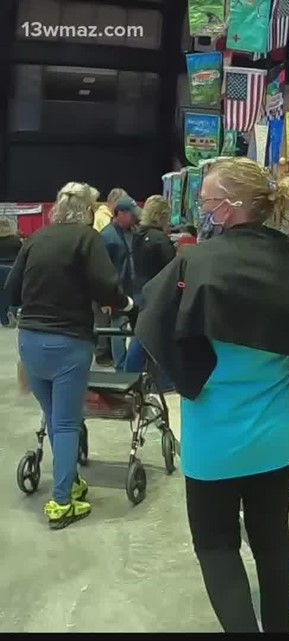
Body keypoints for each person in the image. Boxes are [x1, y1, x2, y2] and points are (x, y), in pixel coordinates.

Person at [135, 157, 289, 633]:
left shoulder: (195, 262)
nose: (203, 209)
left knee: (217, 545)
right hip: (276, 438)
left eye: (206, 202)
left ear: (228, 208)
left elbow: (154, 324)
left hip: (214, 442)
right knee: (272, 541)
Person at [4, 182, 133, 529]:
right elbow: (108, 286)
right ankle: (62, 502)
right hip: (69, 342)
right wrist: (127, 304)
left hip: (29, 341)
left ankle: (69, 477)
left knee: (52, 414)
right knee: (65, 422)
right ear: (88, 210)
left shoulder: (35, 239)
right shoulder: (87, 239)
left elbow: (11, 289)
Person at [122, 196, 175, 380]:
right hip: (157, 295)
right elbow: (172, 270)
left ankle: (132, 375)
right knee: (152, 340)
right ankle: (134, 377)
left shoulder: (137, 236)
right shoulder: (160, 240)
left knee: (143, 337)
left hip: (139, 291)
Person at [100, 196, 140, 370]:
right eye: (131, 214)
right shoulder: (106, 236)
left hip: (136, 290)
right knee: (119, 330)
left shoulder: (134, 232)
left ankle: (131, 366)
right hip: (118, 291)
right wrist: (105, 298)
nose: (134, 217)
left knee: (136, 330)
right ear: (120, 213)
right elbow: (102, 268)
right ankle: (121, 367)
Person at [92, 188, 129, 364]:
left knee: (110, 323)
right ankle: (103, 356)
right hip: (105, 285)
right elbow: (103, 262)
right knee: (106, 322)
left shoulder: (111, 226)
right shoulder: (105, 225)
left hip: (110, 284)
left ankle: (111, 357)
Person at [0, 215, 24, 327]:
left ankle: (2, 318)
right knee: (8, 295)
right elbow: (21, 255)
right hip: (11, 269)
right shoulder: (15, 240)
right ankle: (7, 318)